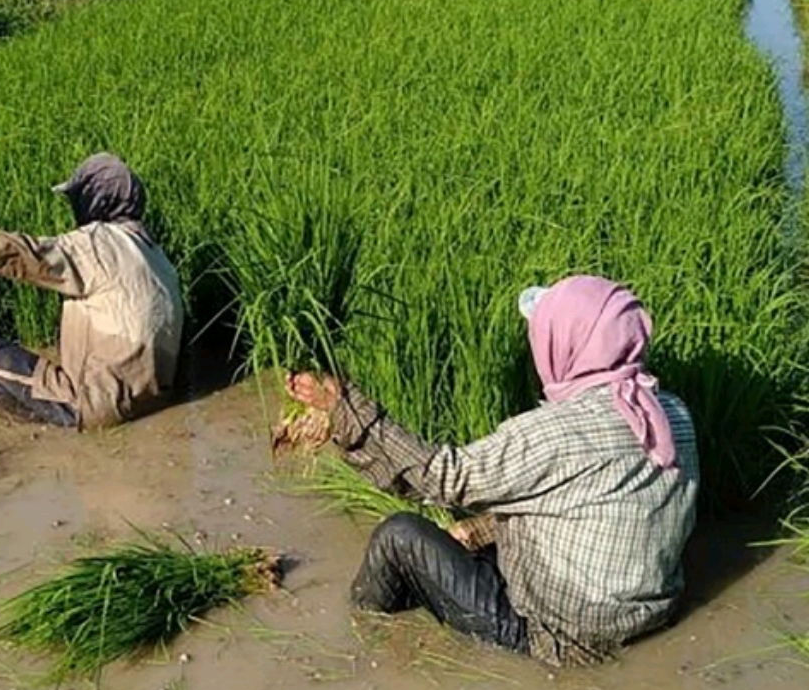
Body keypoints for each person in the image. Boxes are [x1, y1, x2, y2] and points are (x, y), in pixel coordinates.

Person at [278, 275, 699, 666]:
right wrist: (478, 530)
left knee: (398, 536)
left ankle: (358, 645)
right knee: (466, 537)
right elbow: (588, 502)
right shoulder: (672, 415)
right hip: (651, 616)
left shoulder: (552, 432)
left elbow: (442, 478)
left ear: (564, 345)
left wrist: (345, 405)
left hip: (560, 637)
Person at [0, 152, 185, 430]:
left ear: (94, 200)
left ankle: (47, 435)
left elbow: (24, 255)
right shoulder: (155, 254)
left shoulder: (97, 244)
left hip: (98, 406)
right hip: (152, 399)